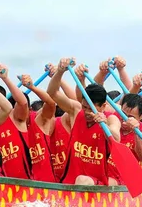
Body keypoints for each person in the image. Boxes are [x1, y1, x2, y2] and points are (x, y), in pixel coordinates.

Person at [46, 58, 122, 186]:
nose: (87, 112)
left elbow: (116, 138)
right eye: (84, 107)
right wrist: (59, 72)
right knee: (78, 180)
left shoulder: (111, 119)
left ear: (103, 106)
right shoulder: (75, 111)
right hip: (69, 182)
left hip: (95, 183)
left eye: (91, 108)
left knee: (82, 180)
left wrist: (105, 126)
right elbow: (52, 92)